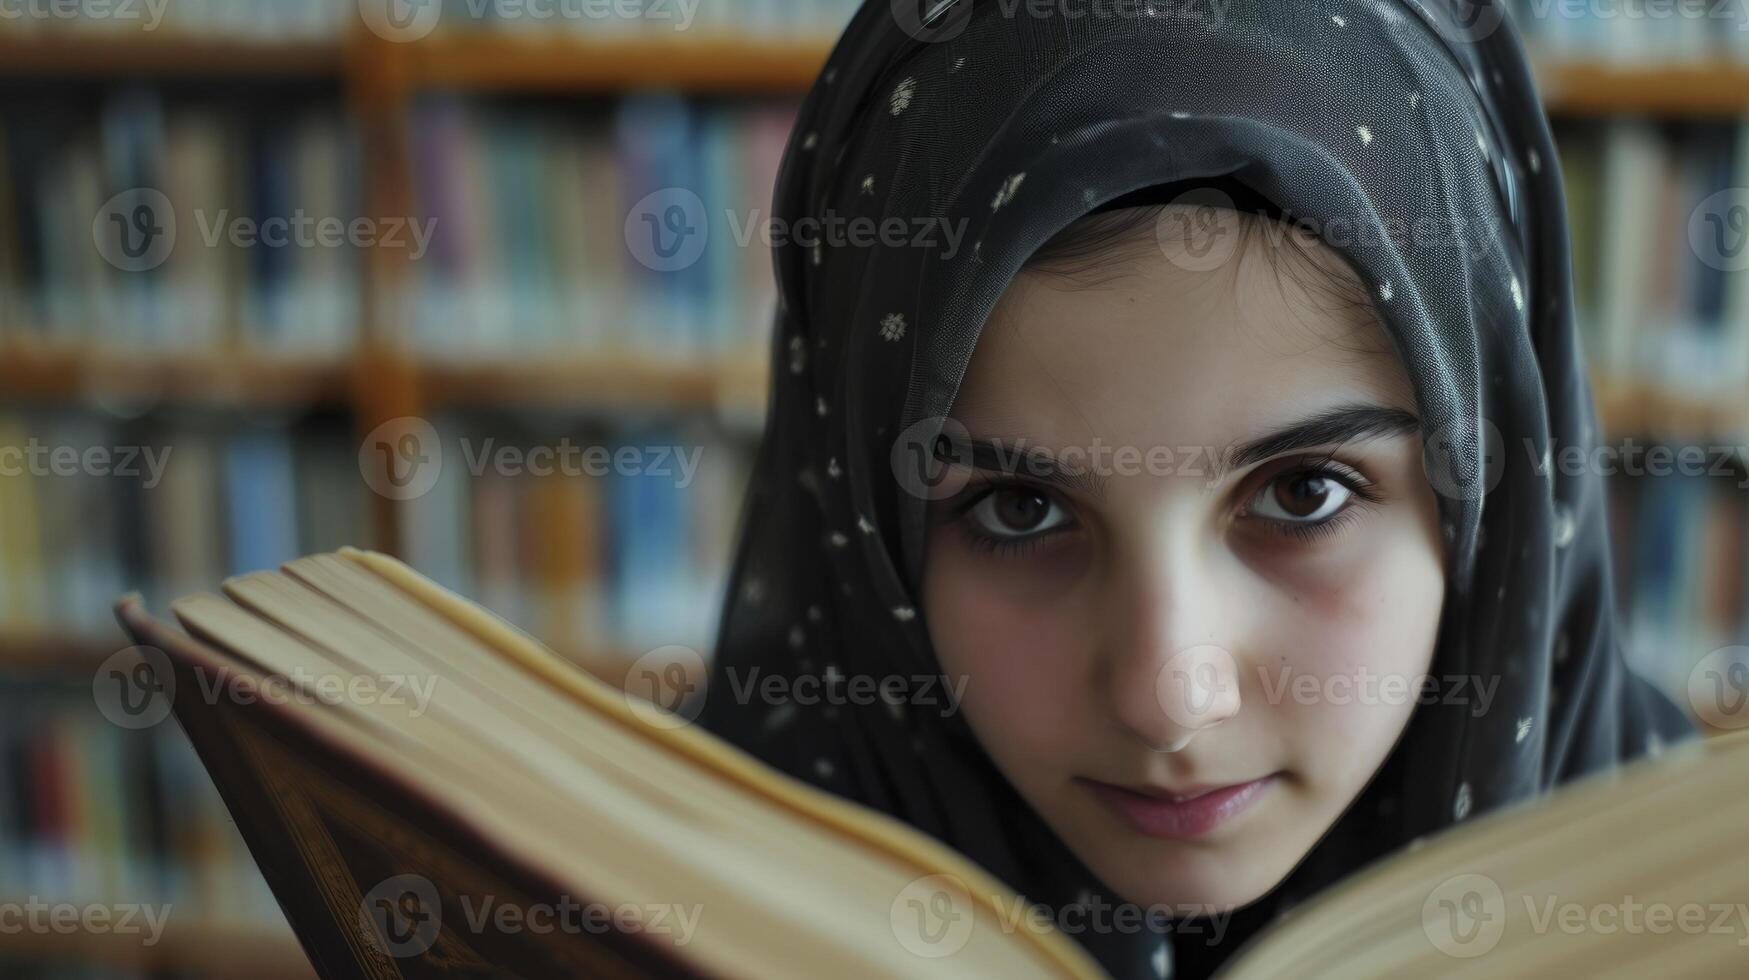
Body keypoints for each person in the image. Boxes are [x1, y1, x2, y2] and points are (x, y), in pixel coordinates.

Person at [697, 2, 1698, 976]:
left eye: (1305, 492)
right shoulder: (659, 898)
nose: (1168, 697)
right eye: (1019, 507)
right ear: (869, 527)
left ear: (1499, 487)